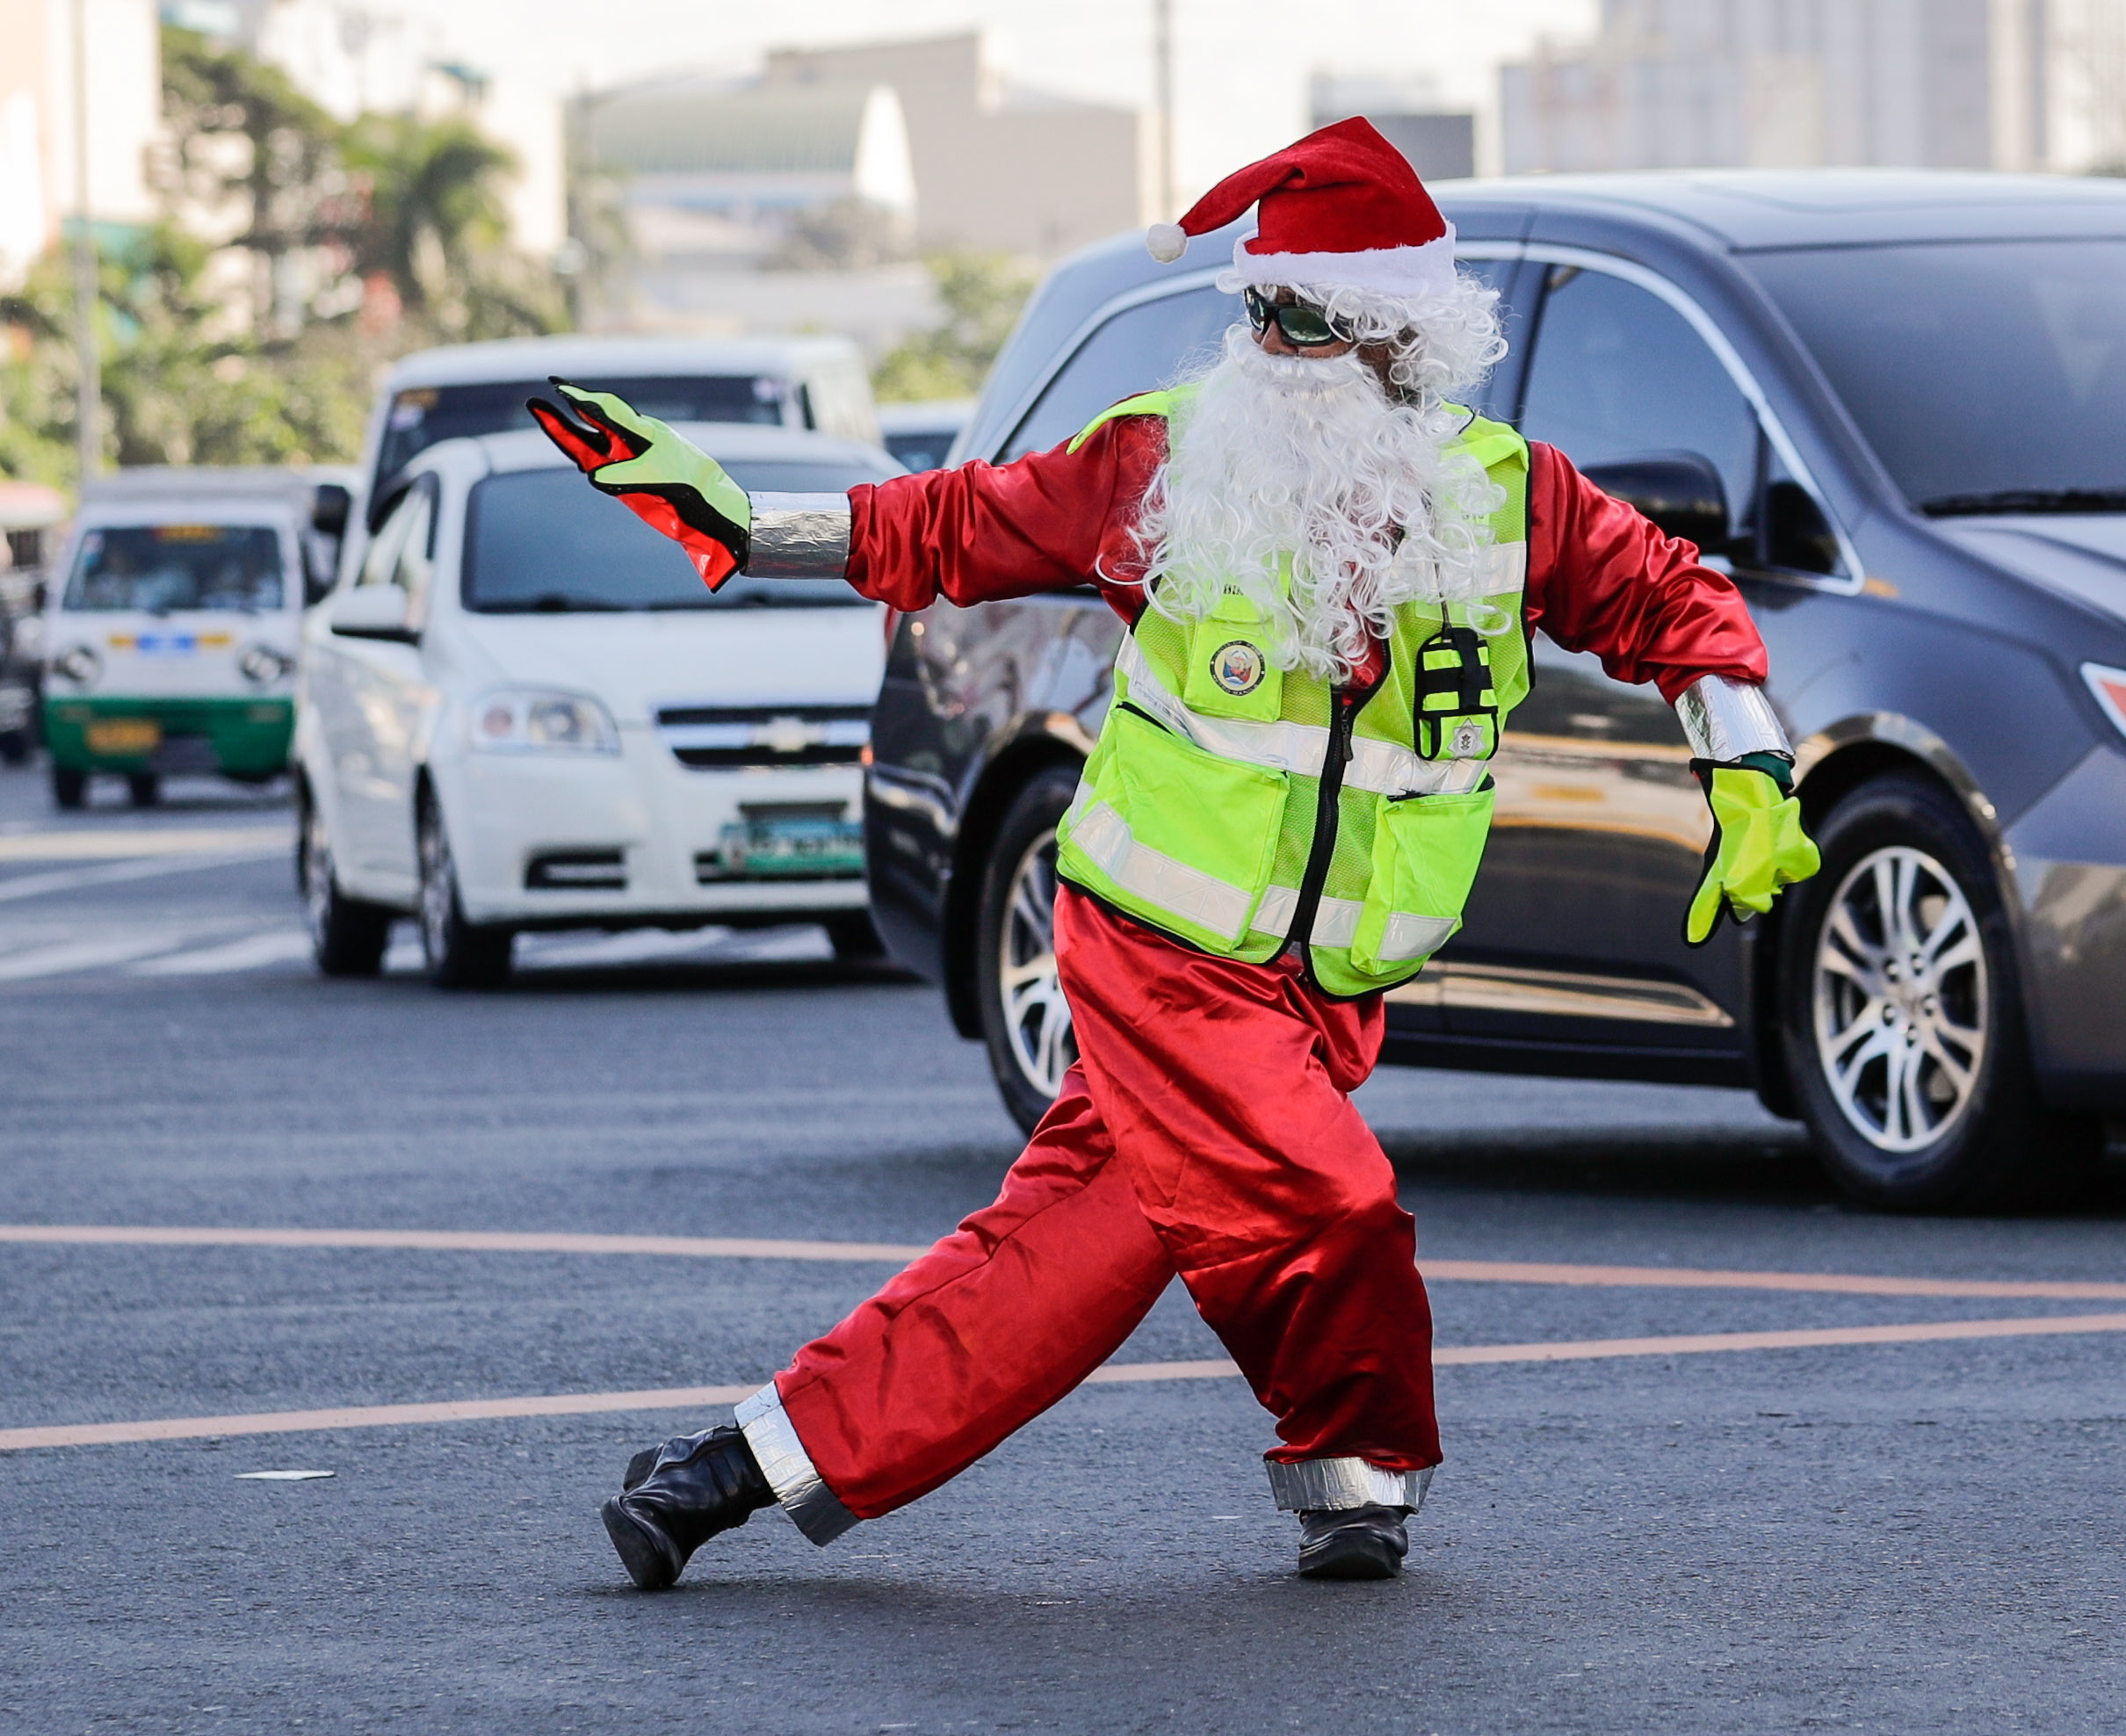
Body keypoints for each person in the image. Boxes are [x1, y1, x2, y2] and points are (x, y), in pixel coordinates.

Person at [532, 118, 1819, 1590]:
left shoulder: (1515, 496)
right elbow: (954, 524)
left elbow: (1674, 602)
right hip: (1156, 944)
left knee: (1056, 1269)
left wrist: (1751, 760)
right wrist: (742, 526)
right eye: (1252, 310)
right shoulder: (1164, 459)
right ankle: (1362, 1481)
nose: (1262, 344)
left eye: (1300, 317)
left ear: (1396, 336)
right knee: (1336, 1207)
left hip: (1327, 975)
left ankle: (724, 1473)